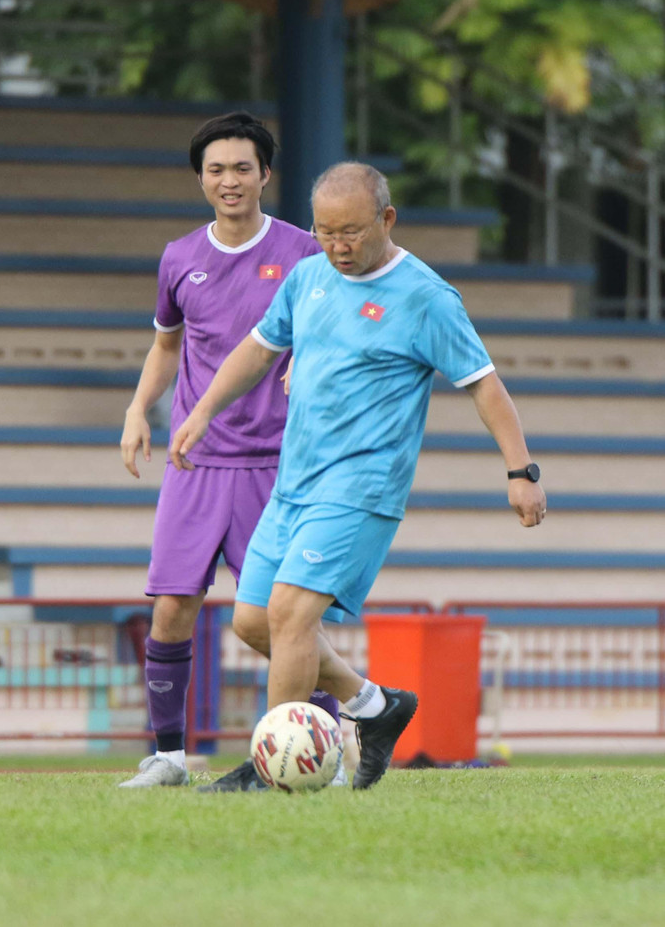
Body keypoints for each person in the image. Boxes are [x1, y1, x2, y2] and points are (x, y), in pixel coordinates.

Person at [169, 161, 546, 791]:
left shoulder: (425, 296)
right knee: (253, 621)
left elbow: (485, 386)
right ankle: (375, 706)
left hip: (361, 488)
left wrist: (520, 470)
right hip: (295, 482)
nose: (338, 247)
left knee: (290, 615)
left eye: (351, 232)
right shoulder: (308, 275)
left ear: (387, 220)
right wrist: (203, 411)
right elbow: (261, 348)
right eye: (324, 232)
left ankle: (273, 767)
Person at [118, 112, 338, 790]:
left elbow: (334, 327)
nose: (230, 180)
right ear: (201, 179)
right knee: (171, 605)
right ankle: (169, 757)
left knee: (283, 617)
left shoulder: (305, 251)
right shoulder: (180, 256)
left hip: (277, 463)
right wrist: (135, 408)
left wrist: (311, 356)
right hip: (196, 460)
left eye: (243, 167)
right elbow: (166, 344)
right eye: (216, 169)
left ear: (266, 174)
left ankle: (324, 745)